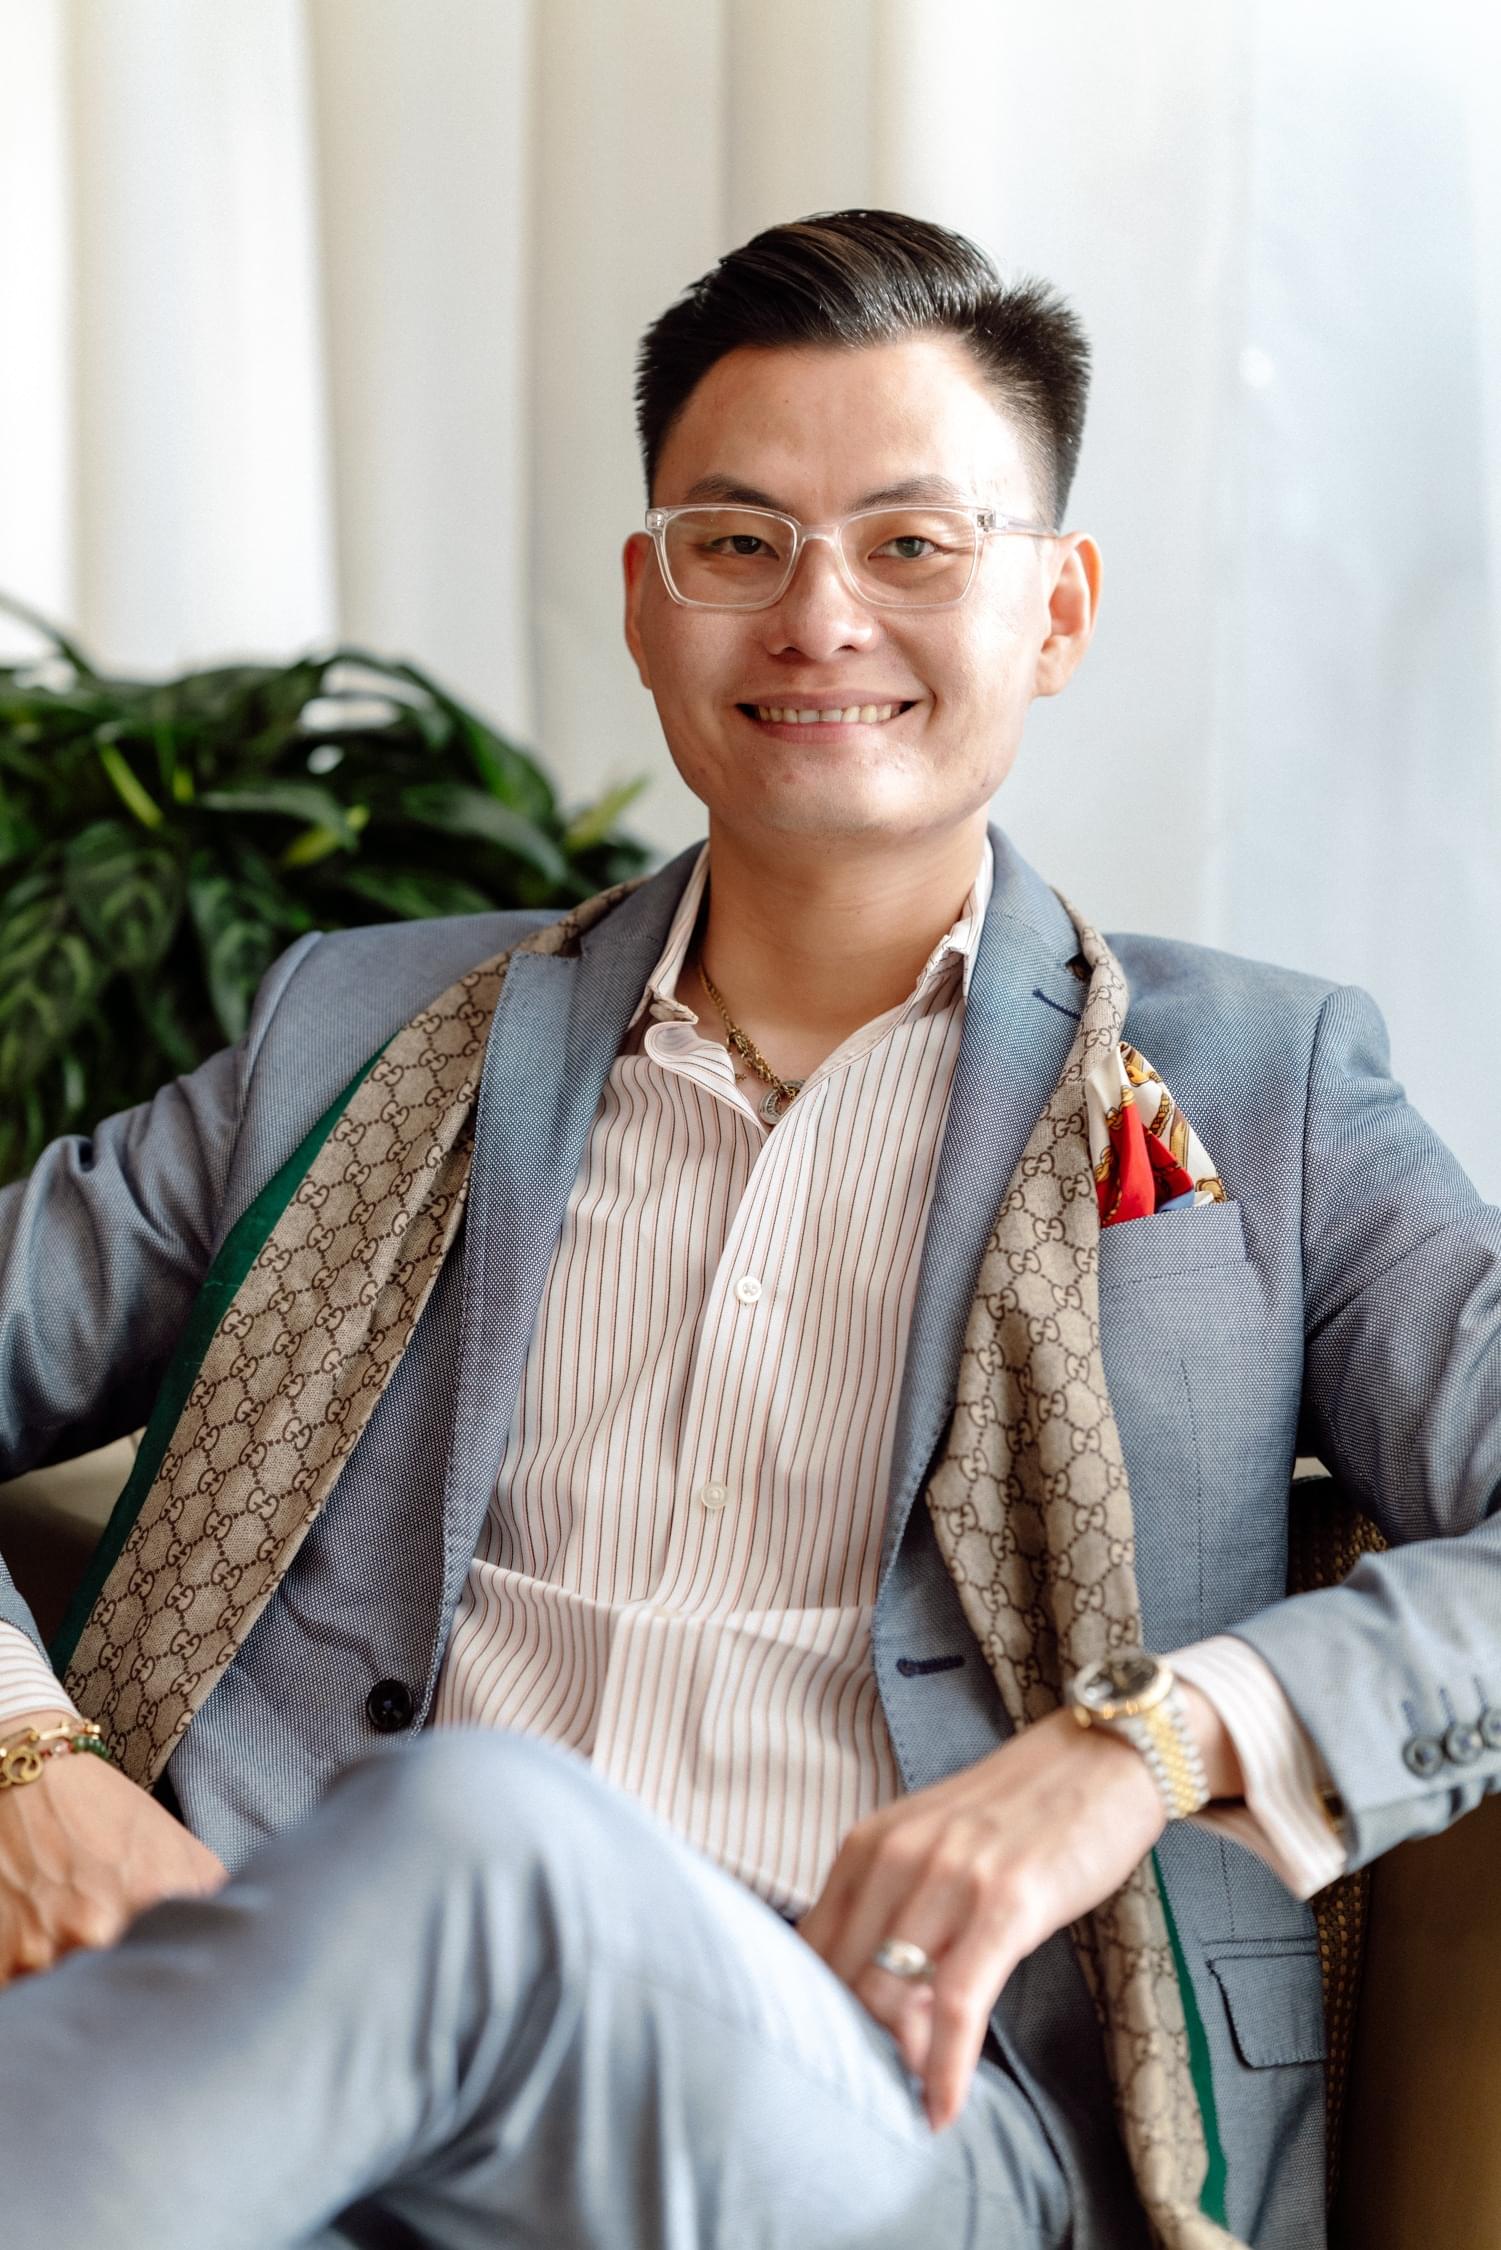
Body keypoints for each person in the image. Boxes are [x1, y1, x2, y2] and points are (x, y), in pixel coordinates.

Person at [0, 209, 1496, 2250]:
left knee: (482, 1842)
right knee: (449, 1863)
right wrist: (26, 1760)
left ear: (1055, 608)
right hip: (296, 2066)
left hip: (913, 2124)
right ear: (648, 602)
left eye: (912, 543)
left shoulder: (1266, 1093)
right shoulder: (361, 1033)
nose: (817, 616)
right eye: (738, 542)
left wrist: (1140, 1751)